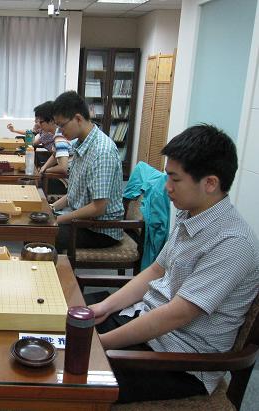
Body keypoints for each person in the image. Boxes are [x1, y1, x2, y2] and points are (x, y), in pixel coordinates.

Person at [86, 124, 259, 404]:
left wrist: (99, 344)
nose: (166, 187)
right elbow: (156, 270)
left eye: (174, 179)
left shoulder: (233, 243)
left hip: (181, 361)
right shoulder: (191, 214)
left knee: (72, 376)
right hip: (147, 322)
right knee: (68, 319)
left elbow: (177, 315)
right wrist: (104, 308)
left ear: (210, 183)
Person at [50, 91, 124, 252]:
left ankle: (57, 269)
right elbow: (74, 194)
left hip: (100, 230)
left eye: (62, 125)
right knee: (37, 228)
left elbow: (98, 208)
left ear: (78, 119)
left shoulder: (102, 151)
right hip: (82, 221)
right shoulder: (80, 144)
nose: (60, 131)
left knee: (42, 235)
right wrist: (51, 209)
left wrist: (58, 220)